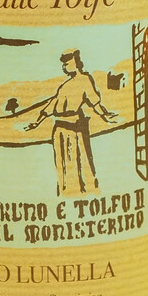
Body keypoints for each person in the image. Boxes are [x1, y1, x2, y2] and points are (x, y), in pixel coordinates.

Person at [25, 49, 119, 196]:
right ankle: (67, 192)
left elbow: (94, 102)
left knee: (78, 161)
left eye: (67, 63)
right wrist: (37, 122)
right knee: (63, 164)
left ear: (76, 62)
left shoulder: (85, 80)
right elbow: (52, 105)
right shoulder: (65, 86)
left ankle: (83, 192)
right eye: (63, 64)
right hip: (60, 129)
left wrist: (105, 115)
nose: (64, 67)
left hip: (74, 128)